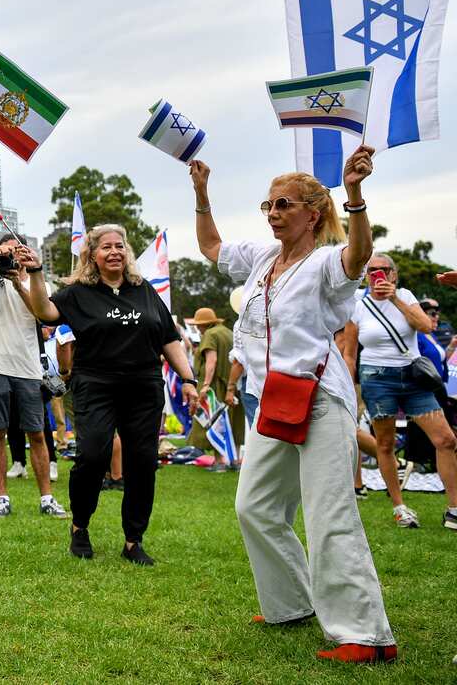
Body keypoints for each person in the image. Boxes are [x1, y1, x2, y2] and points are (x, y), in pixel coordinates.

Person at [191, 148, 397, 663]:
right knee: (254, 506)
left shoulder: (329, 260)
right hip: (272, 401)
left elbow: (358, 255)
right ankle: (290, 604)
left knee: (330, 513)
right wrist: (201, 193)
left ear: (313, 212)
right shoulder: (262, 258)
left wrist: (353, 197)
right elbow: (211, 245)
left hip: (321, 400)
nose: (273, 212)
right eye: (268, 204)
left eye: (283, 204)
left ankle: (367, 636)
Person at [22, 225, 199, 566]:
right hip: (96, 383)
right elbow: (44, 312)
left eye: (120, 246)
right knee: (92, 455)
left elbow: (168, 339)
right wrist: (36, 273)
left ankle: (133, 540)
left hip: (143, 385)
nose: (115, 251)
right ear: (92, 255)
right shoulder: (77, 293)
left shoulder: (143, 290)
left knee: (142, 462)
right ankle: (80, 525)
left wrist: (188, 378)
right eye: (106, 247)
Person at [0, 235, 67, 519]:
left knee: (37, 434)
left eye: (16, 251)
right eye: (8, 252)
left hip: (29, 368)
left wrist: (19, 283)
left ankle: (46, 498)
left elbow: (42, 315)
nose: (13, 257)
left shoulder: (41, 283)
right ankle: (2, 498)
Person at [343, 255, 457, 531]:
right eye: (371, 271)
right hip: (377, 379)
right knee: (384, 444)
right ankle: (400, 507)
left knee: (445, 439)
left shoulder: (405, 295)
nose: (377, 275)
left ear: (393, 274)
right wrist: (347, 385)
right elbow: (349, 352)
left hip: (413, 377)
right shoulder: (357, 303)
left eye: (383, 270)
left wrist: (394, 299)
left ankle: (454, 509)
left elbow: (425, 326)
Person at [185, 307, 245, 470]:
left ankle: (219, 462)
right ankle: (235, 461)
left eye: (199, 324)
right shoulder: (227, 332)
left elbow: (212, 361)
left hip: (215, 386)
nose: (197, 328)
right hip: (231, 384)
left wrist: (204, 386)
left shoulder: (210, 335)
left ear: (205, 324)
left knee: (216, 421)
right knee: (234, 423)